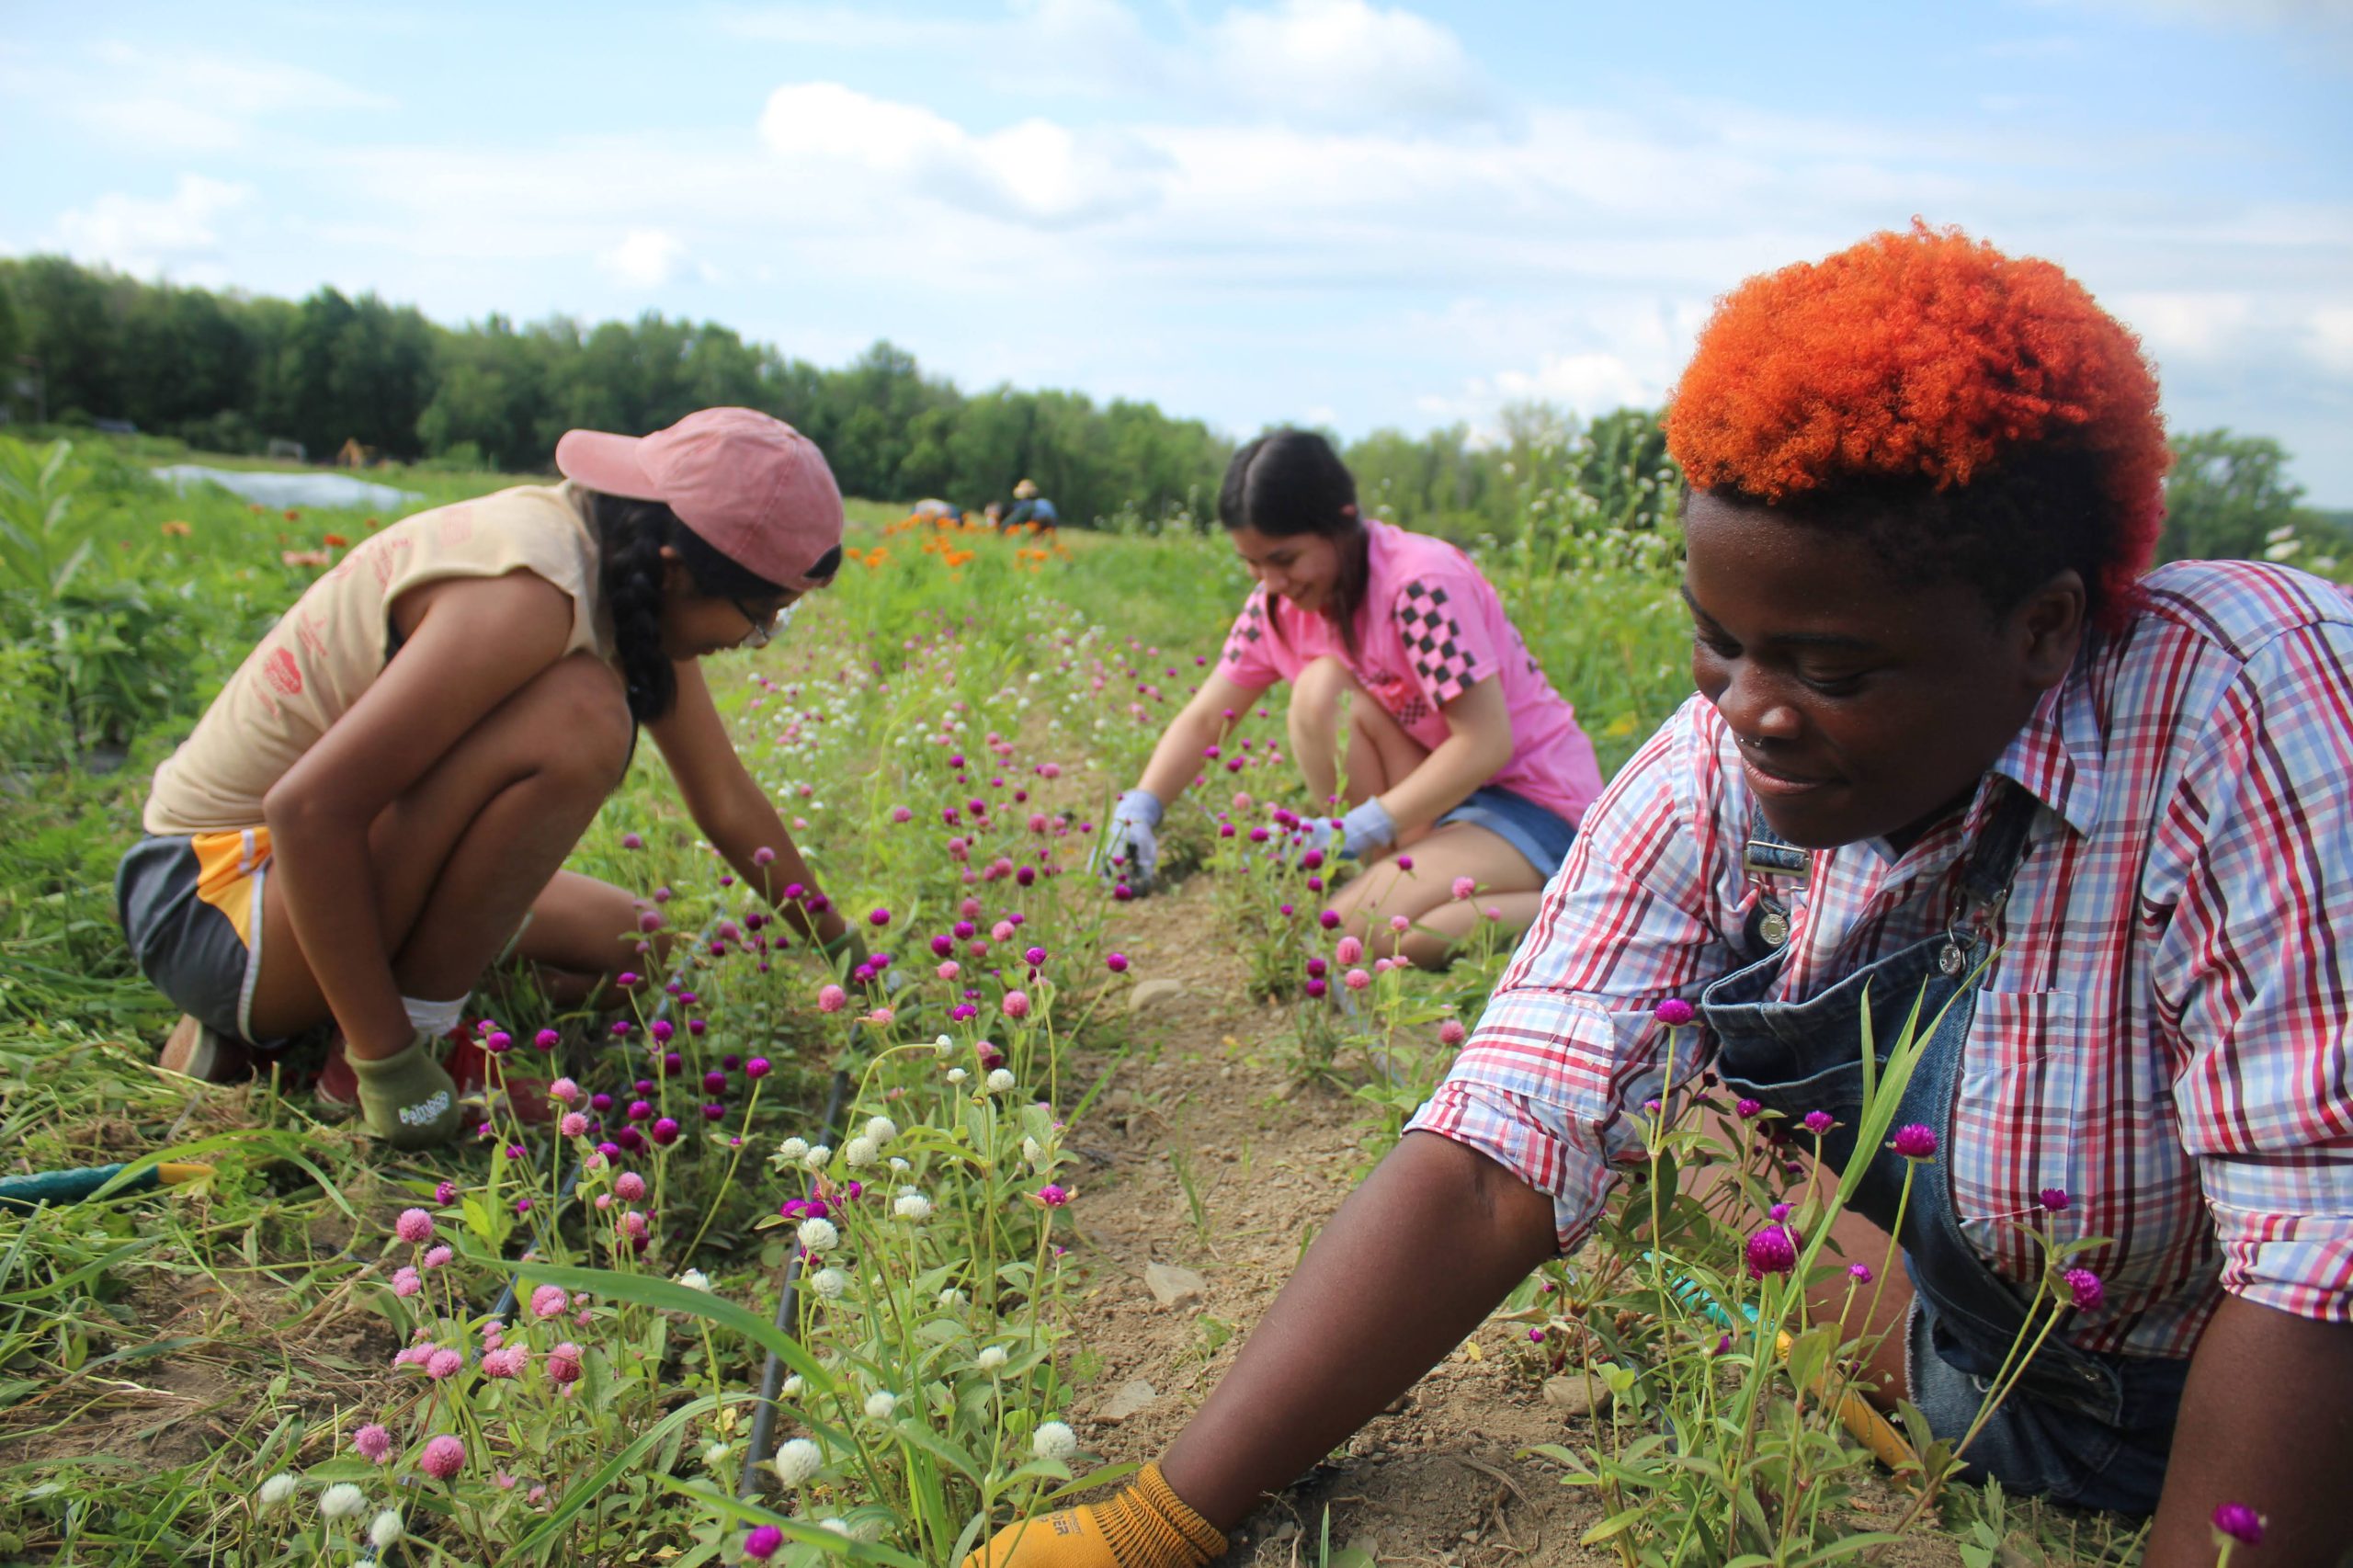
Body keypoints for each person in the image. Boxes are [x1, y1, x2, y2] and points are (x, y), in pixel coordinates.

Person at [974, 228, 2353, 1566]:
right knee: (1665, 1131)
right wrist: (1163, 1517)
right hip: (1983, 1373)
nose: (1751, 711)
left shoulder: (2248, 705)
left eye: (1832, 667)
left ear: (2044, 626)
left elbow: (2316, 1265)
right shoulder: (1723, 754)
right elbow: (1497, 1145)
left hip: (2258, 1432)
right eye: (1718, 641)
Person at [118, 408, 861, 1148]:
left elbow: (724, 799)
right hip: (214, 903)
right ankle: (387, 1042)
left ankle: (295, 1031)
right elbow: (308, 811)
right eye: (761, 616)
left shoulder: (627, 565)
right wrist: (387, 1068)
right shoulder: (531, 590)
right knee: (582, 719)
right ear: (678, 569)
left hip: (303, 882)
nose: (755, 641)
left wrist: (849, 956)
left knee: (638, 948)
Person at [1100, 429, 1606, 967]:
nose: (1273, 582)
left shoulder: (1418, 586)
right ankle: (1405, 877)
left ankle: (1586, 902)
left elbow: (1485, 743)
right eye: (1253, 565)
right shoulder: (1276, 607)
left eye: (1285, 558)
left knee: (1364, 935)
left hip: (1529, 805)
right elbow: (1207, 719)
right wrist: (1141, 808)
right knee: (1321, 691)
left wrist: (1355, 828)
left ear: (1341, 521)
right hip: (1437, 802)